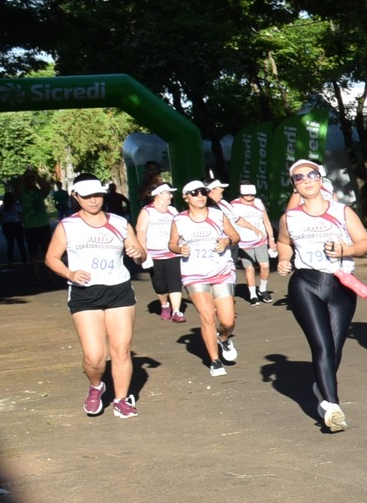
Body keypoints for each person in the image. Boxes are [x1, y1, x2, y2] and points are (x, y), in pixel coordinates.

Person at [274, 159, 367, 433]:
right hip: (306, 282)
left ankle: (321, 386)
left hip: (341, 284)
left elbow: (364, 243)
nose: (306, 180)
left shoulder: (342, 211)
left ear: (320, 178)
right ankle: (332, 406)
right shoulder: (289, 217)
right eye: (299, 177)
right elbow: (283, 242)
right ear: (294, 185)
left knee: (335, 348)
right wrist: (284, 259)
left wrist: (344, 250)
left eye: (311, 175)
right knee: (322, 346)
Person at [44, 177, 146, 418]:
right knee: (94, 357)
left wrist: (137, 253)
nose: (93, 200)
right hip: (85, 293)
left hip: (118, 289)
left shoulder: (120, 223)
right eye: (87, 196)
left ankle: (121, 399)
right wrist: (70, 273)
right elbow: (51, 258)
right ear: (76, 197)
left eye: (97, 195)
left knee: (121, 350)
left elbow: (141, 255)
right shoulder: (68, 226)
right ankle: (96, 386)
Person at [169, 181, 242, 377]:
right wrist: (179, 249)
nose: (200, 196)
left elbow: (235, 235)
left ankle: (224, 338)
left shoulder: (218, 214)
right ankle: (215, 361)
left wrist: (227, 240)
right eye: (194, 193)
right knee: (207, 316)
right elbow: (172, 244)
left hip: (221, 270)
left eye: (203, 192)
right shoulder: (179, 220)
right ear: (186, 197)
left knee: (227, 320)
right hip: (194, 273)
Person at [135, 182, 186, 323]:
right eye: (168, 193)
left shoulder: (173, 211)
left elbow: (180, 229)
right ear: (159, 194)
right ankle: (165, 305)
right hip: (154, 255)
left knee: (175, 281)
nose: (171, 195)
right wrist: (144, 253)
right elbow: (141, 231)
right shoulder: (147, 211)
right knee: (159, 284)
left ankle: (176, 311)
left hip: (173, 253)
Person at [229, 183, 277, 305]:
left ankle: (262, 289)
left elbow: (266, 220)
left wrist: (271, 239)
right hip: (244, 243)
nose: (250, 198)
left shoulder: (258, 202)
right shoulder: (234, 205)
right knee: (249, 268)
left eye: (252, 195)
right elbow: (236, 222)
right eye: (247, 196)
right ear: (241, 195)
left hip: (261, 240)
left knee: (265, 266)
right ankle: (253, 294)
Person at [18, 171, 56, 282]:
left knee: (47, 252)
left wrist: (37, 176)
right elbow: (18, 190)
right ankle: (38, 276)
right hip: (30, 227)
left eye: (32, 180)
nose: (31, 181)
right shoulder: (22, 193)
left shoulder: (39, 192)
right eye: (28, 180)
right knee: (33, 253)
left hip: (43, 225)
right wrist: (23, 176)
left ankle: (49, 275)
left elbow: (46, 187)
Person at [0, 188, 24, 265]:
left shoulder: (3, 207)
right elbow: (21, 215)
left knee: (10, 244)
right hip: (16, 224)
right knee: (20, 243)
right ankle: (24, 258)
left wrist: (2, 226)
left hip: (7, 225)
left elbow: (1, 218)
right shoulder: (16, 205)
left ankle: (10, 260)